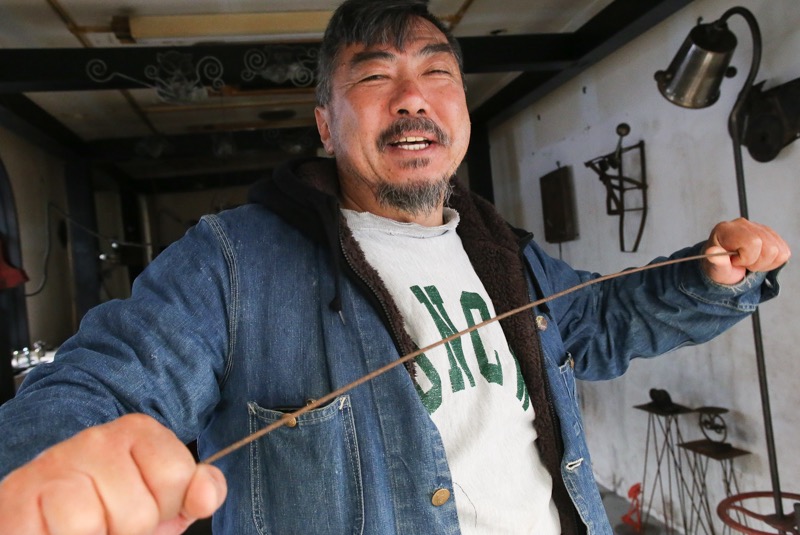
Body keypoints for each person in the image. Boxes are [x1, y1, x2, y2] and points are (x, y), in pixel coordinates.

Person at [0, 0, 791, 533]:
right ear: (325, 124)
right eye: (376, 76)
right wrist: (50, 468)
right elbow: (104, 381)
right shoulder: (233, 262)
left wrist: (708, 277)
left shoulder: (506, 254)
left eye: (436, 73)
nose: (412, 97)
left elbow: (603, 318)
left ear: (461, 109)